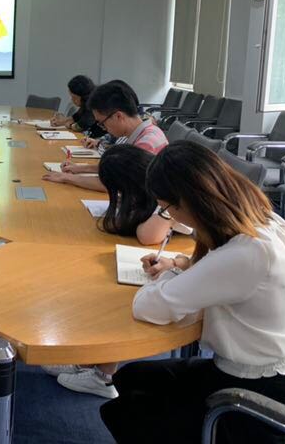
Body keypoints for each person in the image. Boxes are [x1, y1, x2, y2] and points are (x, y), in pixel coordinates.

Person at [101, 141, 285, 443]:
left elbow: (147, 307)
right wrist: (180, 264)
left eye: (167, 209)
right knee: (132, 378)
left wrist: (169, 273)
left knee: (128, 413)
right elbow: (226, 273)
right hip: (269, 371)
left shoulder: (247, 253)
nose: (170, 216)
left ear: (187, 202)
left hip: (271, 394)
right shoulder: (261, 220)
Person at [49, 144, 192, 398]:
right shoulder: (156, 189)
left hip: (193, 278)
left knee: (113, 294)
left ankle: (102, 377)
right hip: (183, 262)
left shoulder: (170, 197)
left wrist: (164, 218)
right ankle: (89, 361)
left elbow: (146, 235)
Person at [43, 81, 167, 191]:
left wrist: (67, 178)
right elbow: (119, 169)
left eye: (102, 123)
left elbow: (113, 183)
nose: (104, 128)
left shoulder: (147, 143)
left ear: (118, 116)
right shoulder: (135, 133)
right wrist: (80, 168)